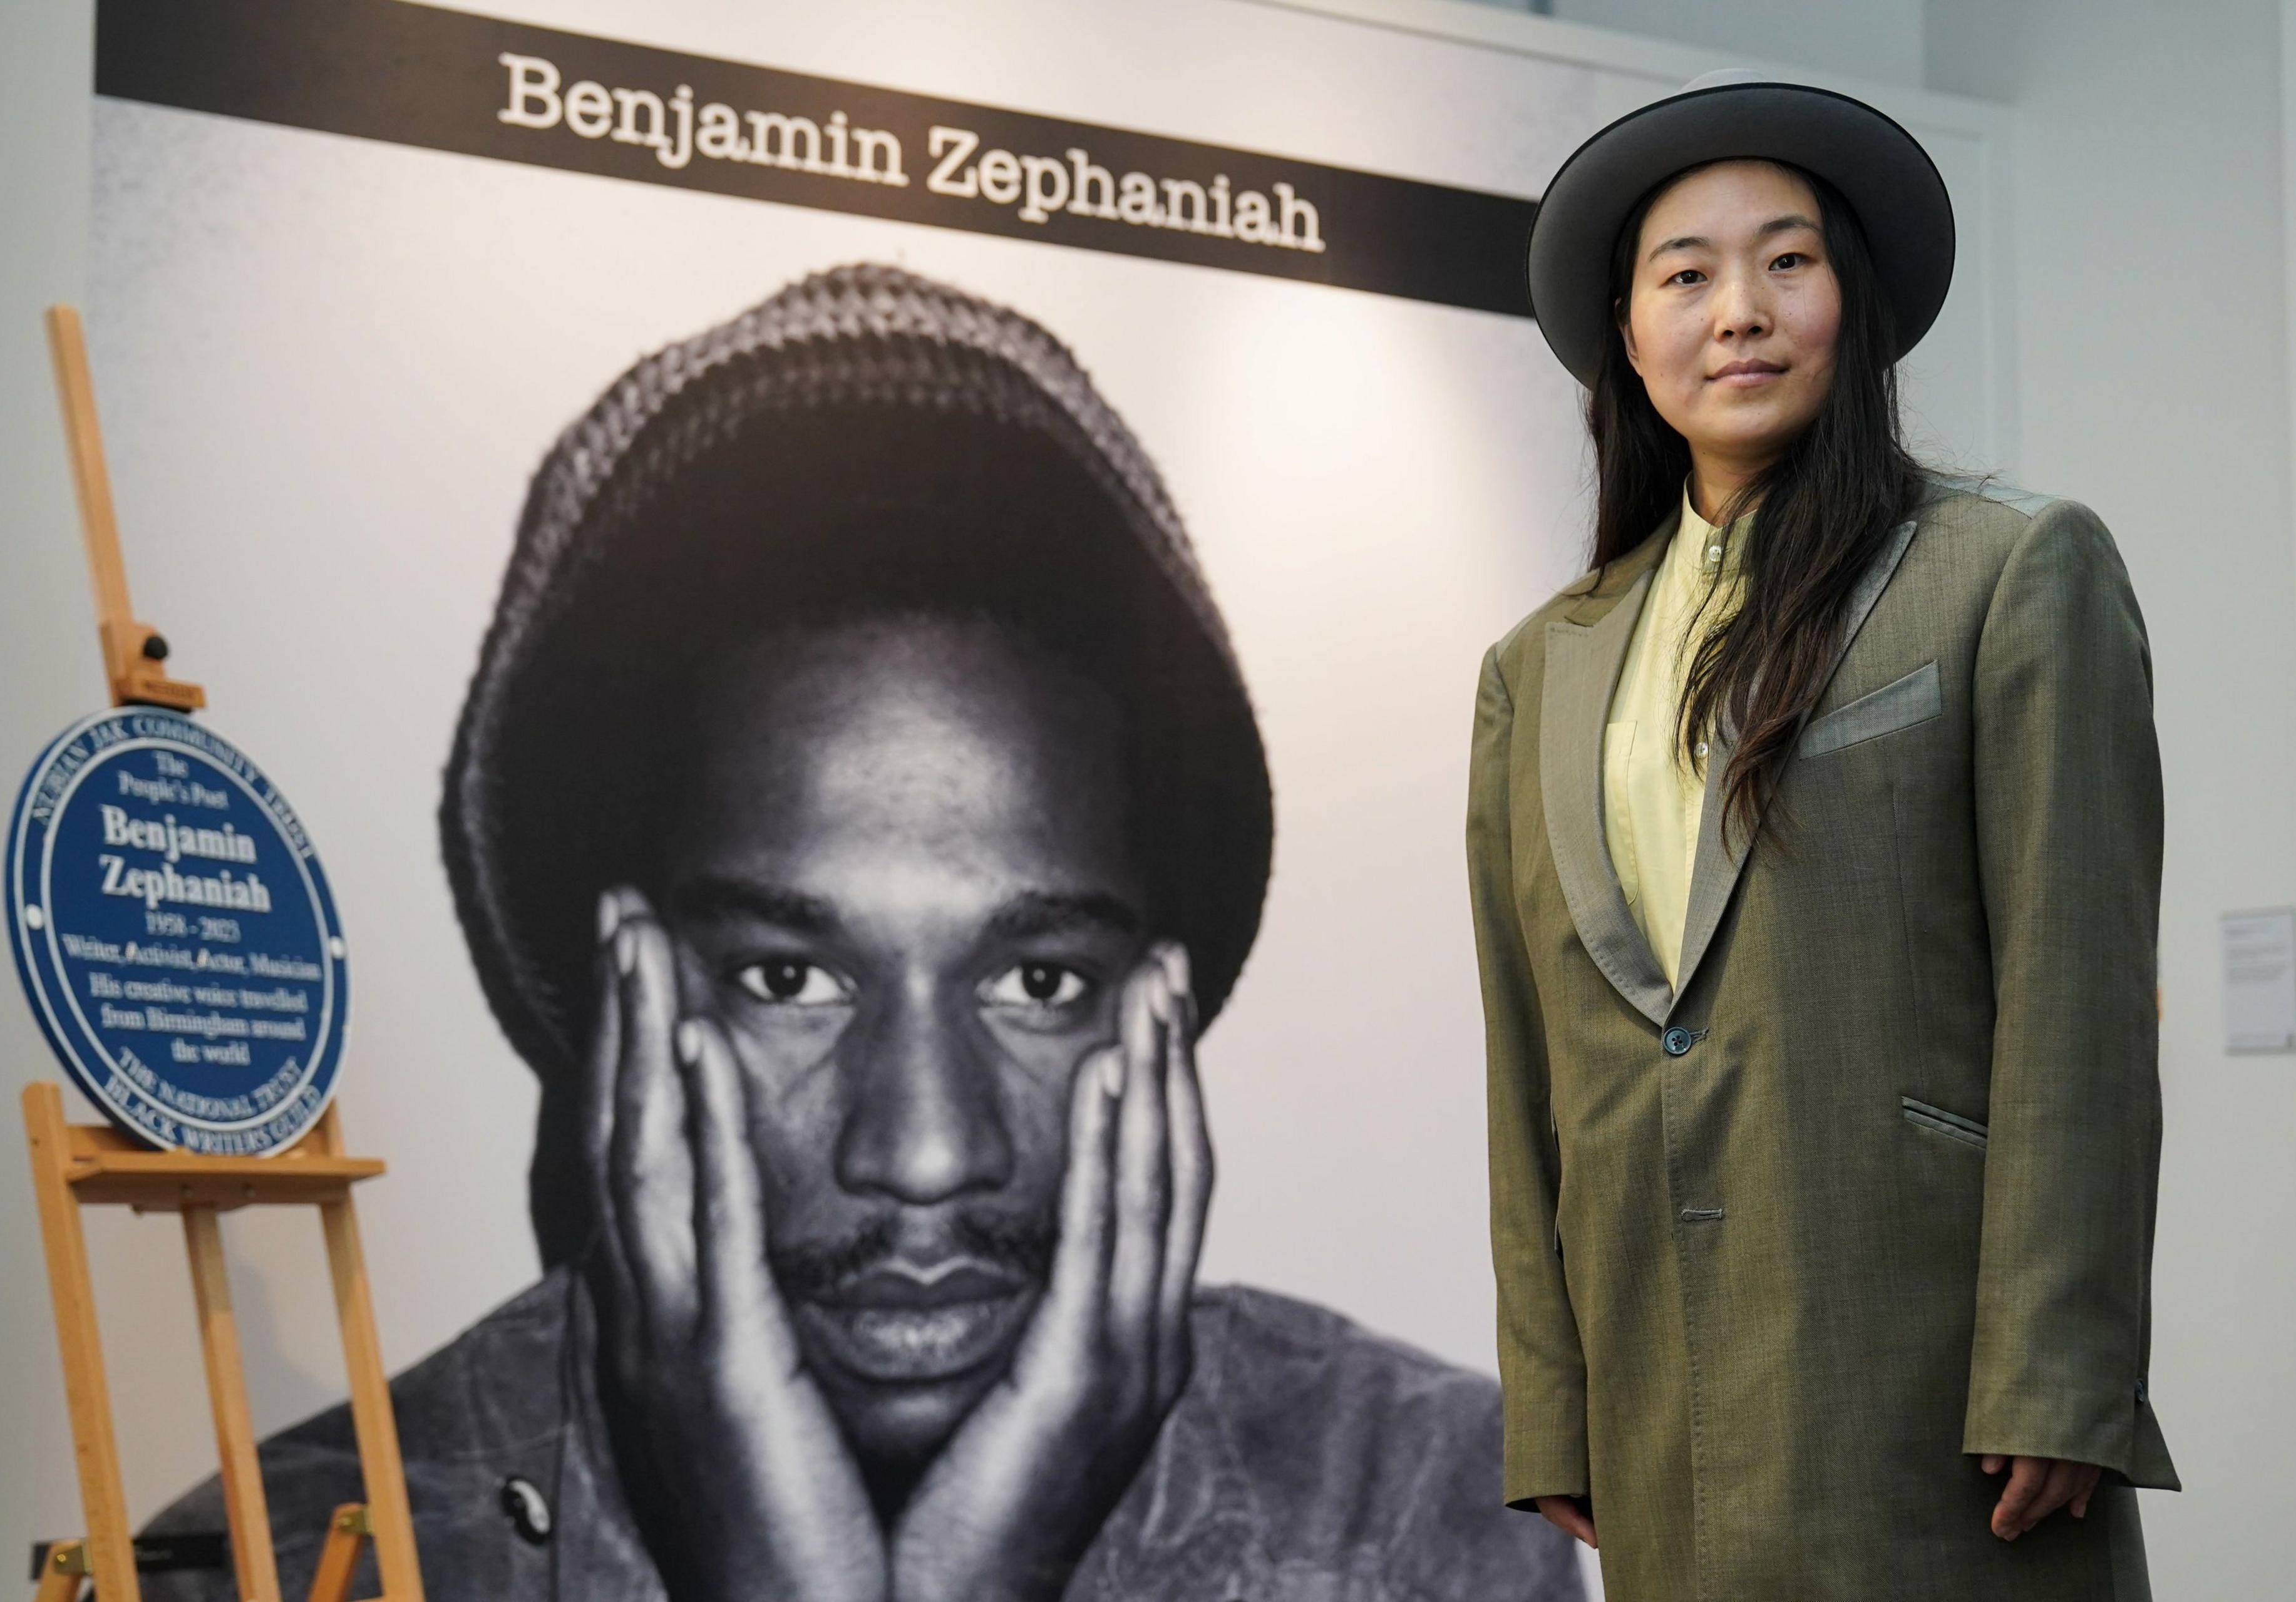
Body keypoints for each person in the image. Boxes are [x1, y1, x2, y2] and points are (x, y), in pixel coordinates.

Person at [143, 264, 1583, 1602]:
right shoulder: (308, 1561)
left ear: (1160, 1001)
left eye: (1036, 978)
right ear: (616, 990)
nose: (925, 1150)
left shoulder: (1413, 1504)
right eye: (791, 976)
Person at [1468, 71, 2176, 1601]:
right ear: (1628, 331)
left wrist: (2060, 1368)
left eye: (1788, 260)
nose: (1741, 310)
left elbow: (2081, 1000)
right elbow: (1527, 1053)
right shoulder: (1540, 666)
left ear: (1853, 300)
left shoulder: (2008, 572)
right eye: (1687, 275)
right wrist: (1554, 1396)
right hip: (1665, 1390)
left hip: (1932, 1390)